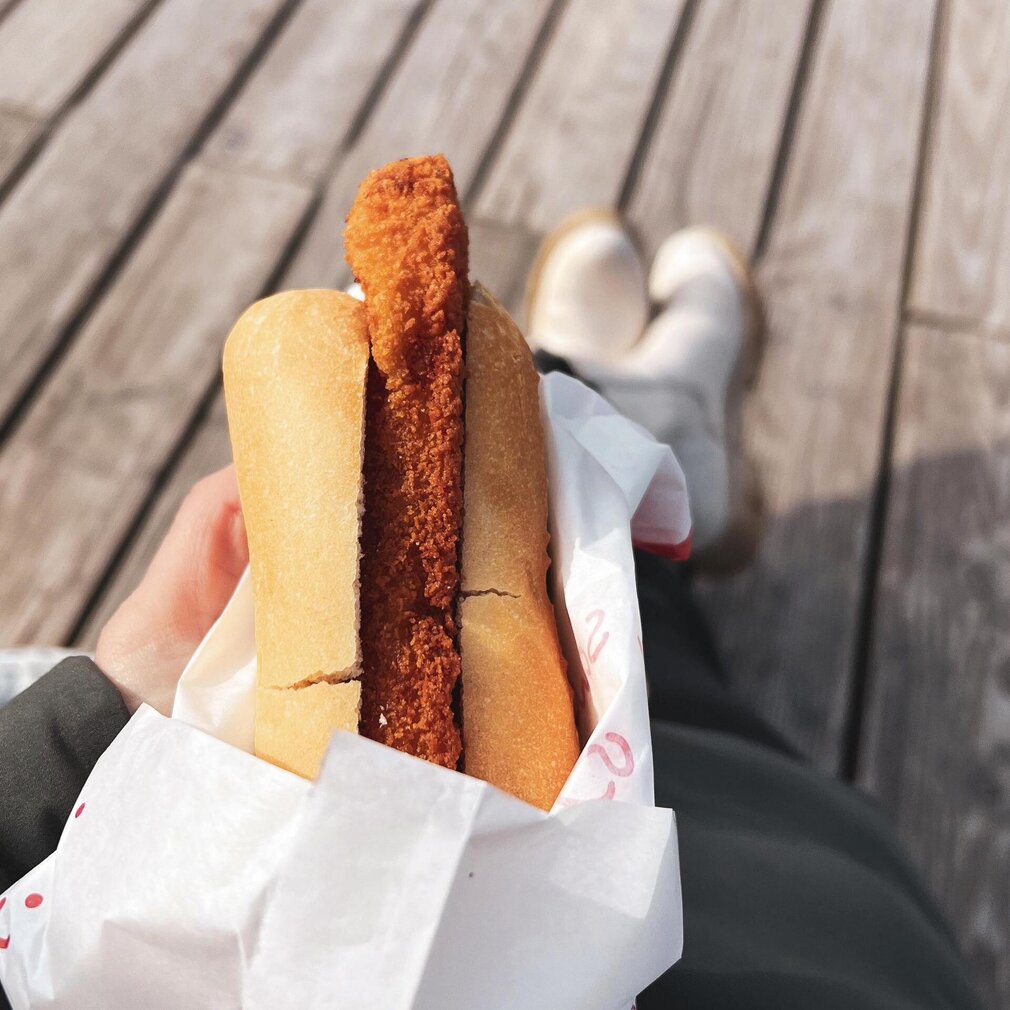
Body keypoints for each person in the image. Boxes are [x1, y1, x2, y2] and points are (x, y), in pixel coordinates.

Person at [0, 219, 986, 1010]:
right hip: (777, 936)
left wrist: (96, 712)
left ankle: (614, 408)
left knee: (574, 612)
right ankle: (639, 415)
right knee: (678, 707)